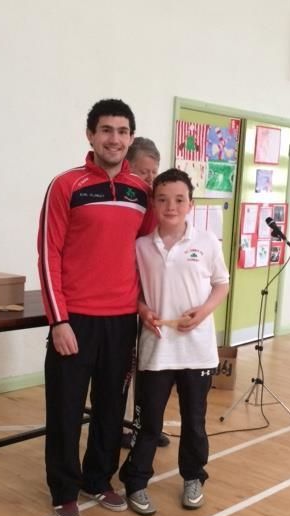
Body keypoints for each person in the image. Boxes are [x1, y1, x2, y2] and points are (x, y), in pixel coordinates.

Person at [37, 99, 156, 516]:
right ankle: (64, 490)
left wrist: (144, 306)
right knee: (66, 410)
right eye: (106, 130)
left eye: (122, 132)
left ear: (130, 138)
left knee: (110, 408)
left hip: (122, 322)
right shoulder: (66, 185)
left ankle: (98, 479)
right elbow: (48, 253)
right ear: (90, 135)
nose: (114, 139)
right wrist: (59, 320)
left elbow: (147, 251)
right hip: (75, 321)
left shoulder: (141, 193)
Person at [119, 168, 230, 516]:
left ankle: (193, 477)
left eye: (179, 200)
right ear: (153, 204)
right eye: (163, 199)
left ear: (190, 204)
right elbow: (135, 292)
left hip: (197, 352)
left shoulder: (207, 242)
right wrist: (143, 311)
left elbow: (221, 284)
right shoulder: (141, 246)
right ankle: (136, 482)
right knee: (148, 423)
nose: (171, 207)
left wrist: (203, 312)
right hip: (156, 351)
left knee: (194, 421)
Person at [121, 137, 171, 449]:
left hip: (151, 295)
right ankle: (122, 425)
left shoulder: (155, 202)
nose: (150, 179)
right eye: (143, 172)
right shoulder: (124, 201)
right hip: (126, 296)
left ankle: (146, 425)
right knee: (125, 368)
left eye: (154, 172)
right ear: (127, 167)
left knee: (150, 367)